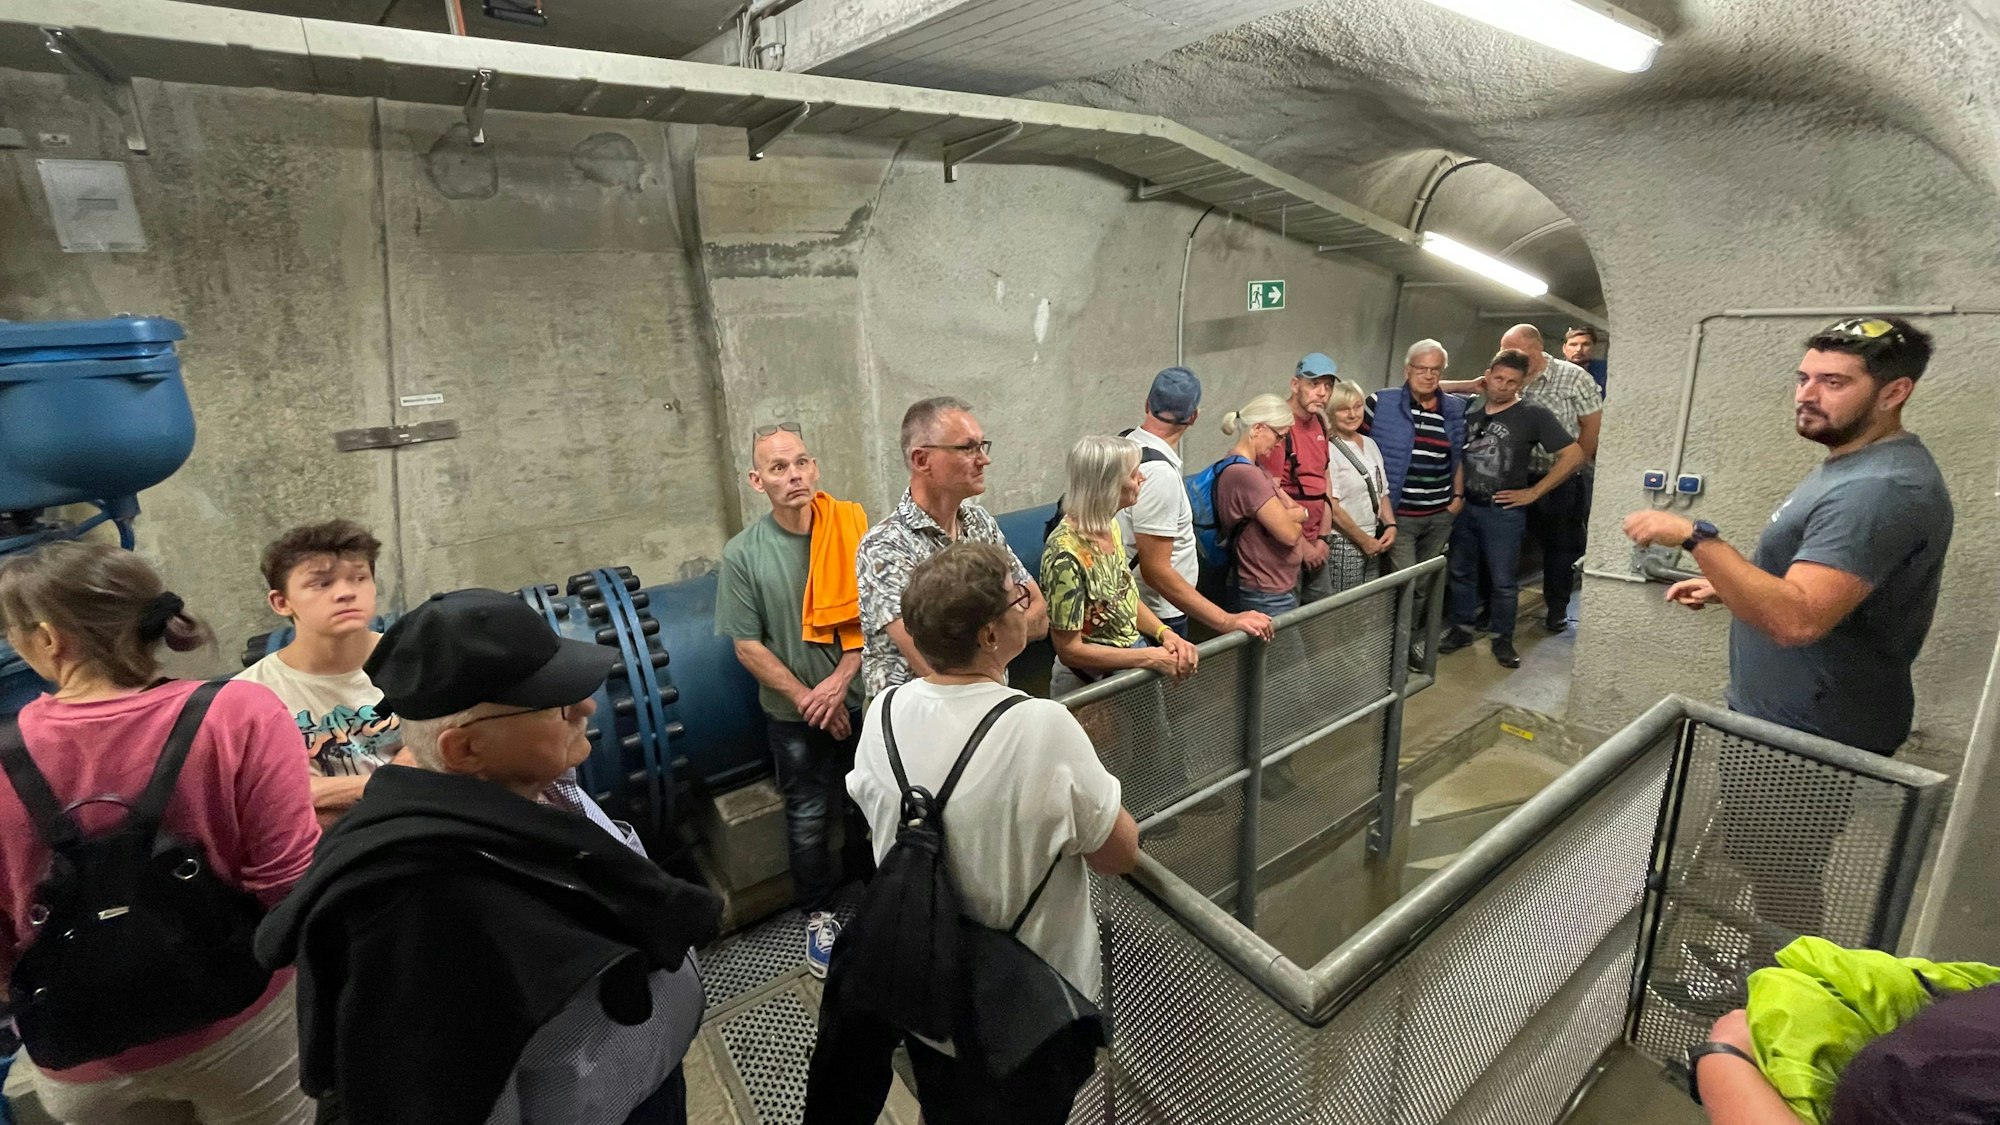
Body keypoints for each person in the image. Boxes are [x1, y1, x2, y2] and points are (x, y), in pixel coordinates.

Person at [255, 589, 720, 1125]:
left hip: (645, 1087)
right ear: (464, 750)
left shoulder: (531, 787)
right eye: (556, 704)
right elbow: (450, 1095)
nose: (588, 708)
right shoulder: (421, 908)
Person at [815, 542, 1141, 1124]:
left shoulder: (884, 712)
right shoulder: (1042, 726)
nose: (1028, 607)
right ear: (991, 636)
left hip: (923, 984)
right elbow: (1118, 852)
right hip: (1025, 1011)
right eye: (1019, 599)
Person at [0, 541, 318, 1125]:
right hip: (239, 1022)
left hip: (80, 1049)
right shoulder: (240, 712)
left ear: (47, 639)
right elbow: (287, 883)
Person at [1621, 317, 1952, 756]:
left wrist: (1695, 537)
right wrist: (1728, 584)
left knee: (1762, 828)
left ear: (1894, 392)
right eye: (1803, 378)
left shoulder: (1878, 488)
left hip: (1809, 737)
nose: (1806, 395)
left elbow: (1797, 620)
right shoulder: (1854, 465)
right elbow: (1826, 583)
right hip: (1789, 720)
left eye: (1833, 382)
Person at [715, 422, 873, 979]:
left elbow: (873, 613)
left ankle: (876, 895)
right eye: (779, 468)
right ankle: (820, 916)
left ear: (816, 469)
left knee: (870, 802)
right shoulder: (744, 555)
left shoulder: (850, 526)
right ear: (758, 481)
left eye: (801, 463)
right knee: (808, 815)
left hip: (860, 701)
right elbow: (746, 645)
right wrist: (811, 698)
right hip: (794, 715)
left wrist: (842, 680)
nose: (794, 476)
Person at [857, 397, 1049, 700]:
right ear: (922, 460)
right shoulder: (884, 546)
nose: (983, 459)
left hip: (991, 703)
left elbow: (1039, 613)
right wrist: (1003, 629)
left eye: (982, 446)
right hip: (919, 720)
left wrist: (972, 639)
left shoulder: (980, 523)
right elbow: (931, 663)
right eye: (968, 448)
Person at [236, 519, 404, 827]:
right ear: (281, 602)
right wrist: (401, 782)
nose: (346, 593)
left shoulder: (417, 661)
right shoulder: (248, 696)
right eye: (322, 583)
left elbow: (446, 766)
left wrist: (323, 795)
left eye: (359, 578)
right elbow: (273, 802)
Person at [1437, 351, 1586, 668]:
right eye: (1498, 378)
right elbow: (1429, 388)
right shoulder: (1470, 407)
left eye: (1512, 382)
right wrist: (1472, 384)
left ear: (1524, 383)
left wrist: (1533, 492)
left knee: (1503, 580)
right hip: (1467, 506)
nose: (1502, 387)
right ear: (1488, 374)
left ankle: (1501, 639)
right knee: (1461, 572)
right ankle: (1462, 630)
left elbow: (1573, 456)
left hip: (1502, 511)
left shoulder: (1532, 414)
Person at [1451, 324, 1602, 634]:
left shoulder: (1573, 377)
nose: (1510, 360)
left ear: (1536, 348)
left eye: (1517, 352)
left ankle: (1556, 609)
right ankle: (1491, 612)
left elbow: (1591, 430)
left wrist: (1570, 469)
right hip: (1511, 477)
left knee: (1558, 548)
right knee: (1503, 550)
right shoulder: (1507, 378)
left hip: (1558, 477)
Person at [1116, 366, 1275, 642]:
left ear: (1146, 404)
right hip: (1158, 613)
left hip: (1141, 606)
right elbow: (1156, 572)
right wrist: (1225, 619)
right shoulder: (1159, 474)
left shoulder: (1127, 443)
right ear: (1193, 417)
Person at [1042, 434, 1201, 697]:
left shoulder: (1110, 525)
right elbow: (1069, 649)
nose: (1142, 478)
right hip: (1091, 684)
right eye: (1133, 473)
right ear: (1108, 485)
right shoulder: (1064, 554)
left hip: (1130, 662)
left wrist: (1164, 633)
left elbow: (1123, 595)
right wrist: (1148, 658)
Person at [1364, 339, 1467, 663]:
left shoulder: (1453, 409)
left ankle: (1404, 647)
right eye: (1421, 368)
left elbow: (1458, 456)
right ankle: (1390, 654)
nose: (1428, 375)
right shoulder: (1380, 403)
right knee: (1404, 584)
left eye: (1435, 370)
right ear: (1407, 369)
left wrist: (1457, 498)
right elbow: (1357, 446)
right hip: (1401, 516)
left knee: (1422, 584)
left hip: (1439, 514)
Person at [1256, 353, 1339, 603]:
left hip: (1316, 542)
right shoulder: (1278, 427)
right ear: (1295, 385)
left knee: (1322, 615)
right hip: (1284, 546)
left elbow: (1324, 481)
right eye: (1314, 384)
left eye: (1328, 386)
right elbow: (1270, 495)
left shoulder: (1321, 424)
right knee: (1288, 621)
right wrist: (1303, 547)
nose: (1322, 393)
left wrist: (1323, 538)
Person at [1214, 394, 1307, 618]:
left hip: (1276, 587)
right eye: (1279, 436)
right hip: (1265, 593)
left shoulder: (1254, 469)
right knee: (1286, 654)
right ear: (1257, 428)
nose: (1279, 445)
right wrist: (1297, 517)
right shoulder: (1246, 475)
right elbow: (1290, 534)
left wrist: (1291, 514)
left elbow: (1296, 509)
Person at [1322, 379, 1395, 593]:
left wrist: (1390, 525)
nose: (1353, 414)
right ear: (1331, 412)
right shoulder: (1327, 449)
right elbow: (1332, 507)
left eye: (1357, 406)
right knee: (1345, 609)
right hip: (1344, 542)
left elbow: (1382, 491)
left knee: (1367, 603)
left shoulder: (1370, 444)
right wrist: (1363, 540)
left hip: (1373, 537)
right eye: (1344, 409)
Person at [1565, 325, 1608, 396]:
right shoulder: (1552, 371)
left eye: (1585, 344)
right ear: (1564, 348)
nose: (1579, 349)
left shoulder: (1606, 370)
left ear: (1594, 347)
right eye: (1573, 345)